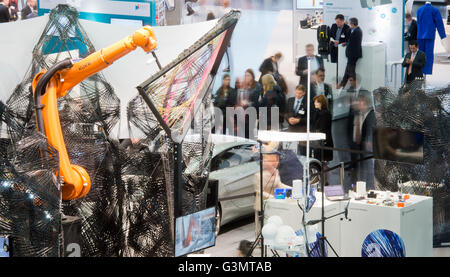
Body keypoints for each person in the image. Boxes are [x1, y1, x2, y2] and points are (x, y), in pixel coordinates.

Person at [253, 152, 290, 236]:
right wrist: (272, 197)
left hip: (274, 204)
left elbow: (279, 185)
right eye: (269, 161)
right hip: (262, 204)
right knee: (262, 225)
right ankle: (260, 239)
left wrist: (291, 188)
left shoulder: (276, 172)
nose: (273, 163)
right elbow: (259, 190)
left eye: (274, 160)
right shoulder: (258, 175)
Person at [348, 94, 376, 190]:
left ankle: (369, 188)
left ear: (363, 103)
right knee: (363, 169)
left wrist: (368, 143)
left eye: (359, 102)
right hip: (360, 147)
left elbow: (370, 132)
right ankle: (364, 187)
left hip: (368, 148)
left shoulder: (371, 115)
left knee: (368, 169)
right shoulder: (362, 115)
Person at [286, 85, 314, 155]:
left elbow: (311, 118)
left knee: (302, 152)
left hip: (302, 129)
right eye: (297, 93)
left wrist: (299, 120)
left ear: (304, 93)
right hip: (291, 129)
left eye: (300, 93)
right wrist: (288, 119)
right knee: (289, 151)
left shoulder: (308, 102)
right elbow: (286, 113)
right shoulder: (290, 100)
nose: (298, 95)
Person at [337, 17, 363, 89]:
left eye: (350, 23)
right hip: (352, 53)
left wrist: (347, 42)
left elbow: (351, 40)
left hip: (353, 54)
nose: (349, 25)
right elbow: (349, 39)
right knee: (348, 69)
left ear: (352, 24)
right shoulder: (354, 30)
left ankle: (353, 86)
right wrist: (346, 43)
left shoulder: (357, 31)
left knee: (351, 70)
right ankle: (343, 84)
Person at [311, 95, 333, 162]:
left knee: (323, 159)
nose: (315, 103)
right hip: (318, 139)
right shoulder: (317, 112)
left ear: (321, 103)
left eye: (316, 102)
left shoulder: (326, 114)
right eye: (315, 102)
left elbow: (322, 127)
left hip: (324, 139)